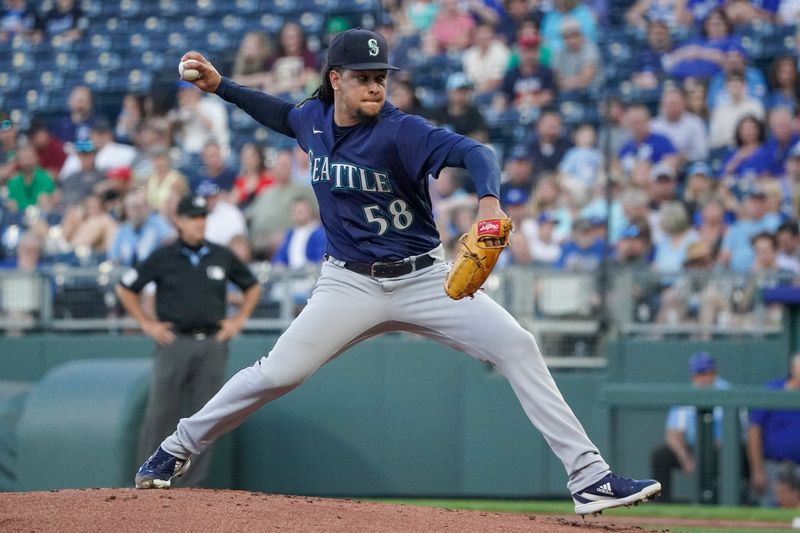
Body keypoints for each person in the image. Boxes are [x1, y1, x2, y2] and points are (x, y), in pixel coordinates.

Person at [133, 28, 661, 515]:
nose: (375, 86)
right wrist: (222, 86)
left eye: (381, 77)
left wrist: (488, 201)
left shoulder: (402, 131)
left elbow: (475, 151)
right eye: (363, 77)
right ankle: (175, 449)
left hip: (424, 279)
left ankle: (589, 476)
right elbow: (276, 113)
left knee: (518, 345)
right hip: (349, 283)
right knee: (277, 373)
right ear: (335, 79)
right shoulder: (311, 119)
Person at [118, 194, 262, 487]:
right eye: (193, 217)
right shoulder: (164, 255)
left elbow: (252, 285)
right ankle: (148, 478)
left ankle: (192, 488)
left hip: (211, 343)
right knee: (161, 413)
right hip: (175, 342)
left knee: (206, 416)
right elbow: (125, 287)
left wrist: (239, 320)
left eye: (202, 217)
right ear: (179, 221)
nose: (199, 223)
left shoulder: (220, 254)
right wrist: (147, 323)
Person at [650, 351, 729, 503]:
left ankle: (727, 504)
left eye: (708, 373)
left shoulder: (726, 392)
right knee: (661, 455)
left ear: (715, 373)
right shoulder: (688, 395)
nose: (704, 378)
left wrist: (715, 451)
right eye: (700, 373)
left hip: (722, 450)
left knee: (732, 455)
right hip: (694, 448)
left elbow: (738, 432)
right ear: (693, 376)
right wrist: (684, 457)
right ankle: (662, 504)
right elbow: (673, 434)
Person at [747, 353, 800, 507]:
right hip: (774, 465)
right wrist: (757, 469)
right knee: (771, 508)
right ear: (793, 370)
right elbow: (754, 430)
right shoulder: (773, 390)